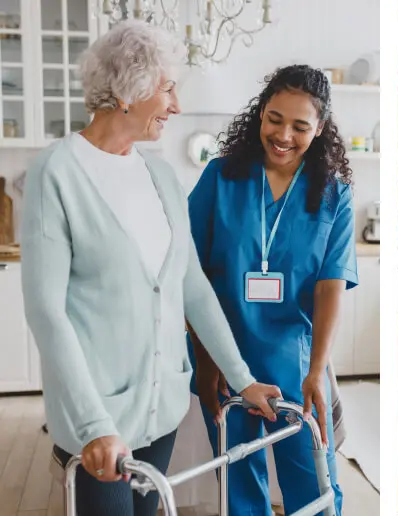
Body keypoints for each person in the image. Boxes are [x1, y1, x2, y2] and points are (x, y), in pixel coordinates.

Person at [19, 20, 281, 515]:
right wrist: (95, 425)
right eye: (167, 89)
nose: (176, 105)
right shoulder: (56, 173)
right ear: (128, 90)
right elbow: (46, 311)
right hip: (98, 420)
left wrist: (242, 379)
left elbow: (193, 288)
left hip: (161, 411)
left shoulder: (159, 175)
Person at [186, 65, 355, 515]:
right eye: (275, 119)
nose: (283, 135)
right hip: (224, 354)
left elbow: (330, 284)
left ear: (319, 129)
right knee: (238, 482)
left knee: (314, 479)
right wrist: (206, 362)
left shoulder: (334, 195)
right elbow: (189, 273)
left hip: (294, 360)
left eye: (300, 126)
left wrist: (316, 371)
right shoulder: (220, 177)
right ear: (260, 115)